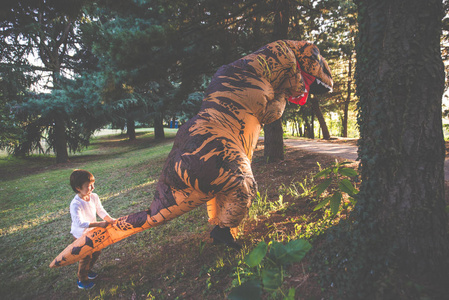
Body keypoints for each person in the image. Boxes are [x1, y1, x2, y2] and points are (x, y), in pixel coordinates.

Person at [69, 169, 116, 290]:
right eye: (89, 186)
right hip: (80, 235)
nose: (93, 188)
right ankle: (82, 279)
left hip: (92, 231)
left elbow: (100, 210)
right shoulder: (75, 204)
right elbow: (79, 223)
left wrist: (109, 219)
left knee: (97, 252)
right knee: (85, 257)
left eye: (92, 184)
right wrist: (99, 224)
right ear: (78, 188)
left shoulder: (93, 197)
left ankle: (88, 271)